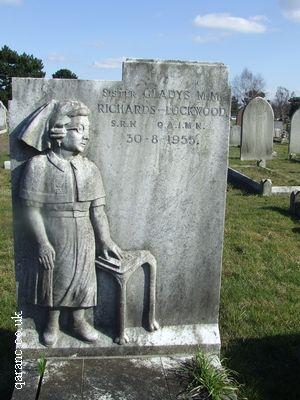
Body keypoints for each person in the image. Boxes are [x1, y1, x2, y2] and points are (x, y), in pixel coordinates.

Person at [19, 100, 122, 347]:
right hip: (55, 231)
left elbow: (98, 211)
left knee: (84, 280)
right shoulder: (39, 166)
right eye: (78, 129)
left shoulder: (90, 169)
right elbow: (31, 210)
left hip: (83, 233)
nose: (85, 136)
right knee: (55, 278)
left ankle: (78, 320)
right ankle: (51, 322)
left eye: (88, 130)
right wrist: (42, 242)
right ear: (59, 131)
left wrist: (105, 239)